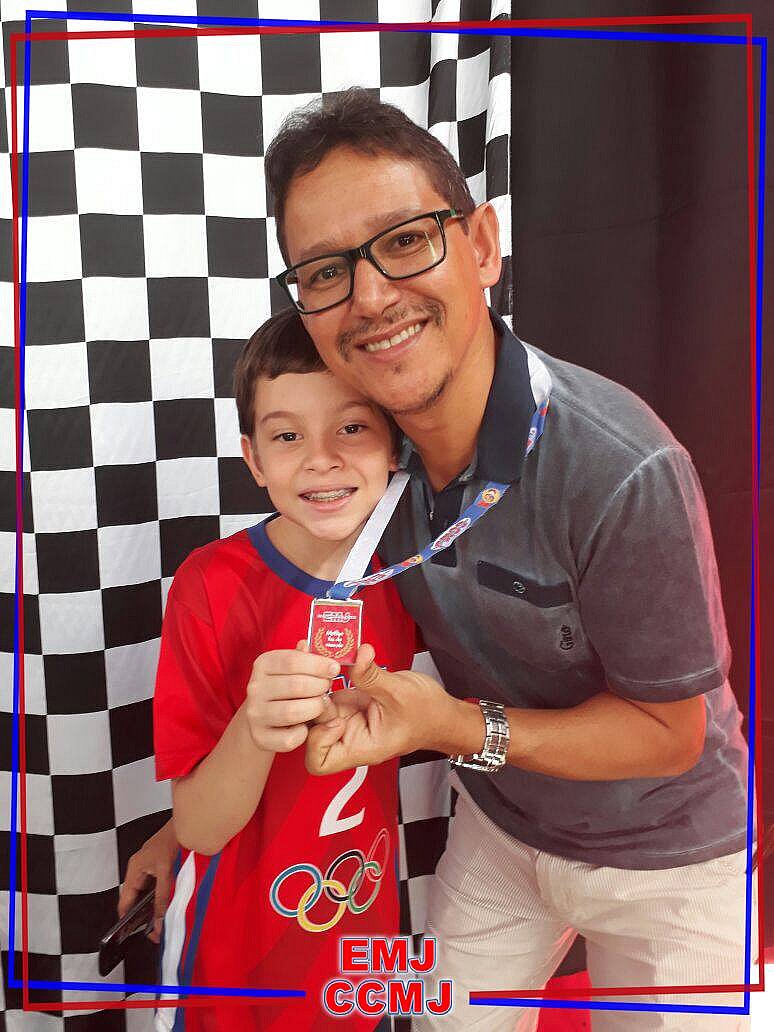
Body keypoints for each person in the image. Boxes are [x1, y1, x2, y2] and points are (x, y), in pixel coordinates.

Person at [262, 89, 753, 1031]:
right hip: (501, 828)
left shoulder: (622, 465)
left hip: (668, 854)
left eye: (406, 240)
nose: (371, 297)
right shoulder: (362, 455)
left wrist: (450, 724)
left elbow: (669, 733)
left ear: (482, 246)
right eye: (326, 271)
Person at [150, 307, 417, 1031]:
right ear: (254, 458)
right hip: (234, 956)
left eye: (352, 427)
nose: (321, 459)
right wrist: (253, 729)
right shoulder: (210, 586)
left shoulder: (418, 572)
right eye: (288, 435)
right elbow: (200, 827)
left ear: (395, 442)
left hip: (362, 934)